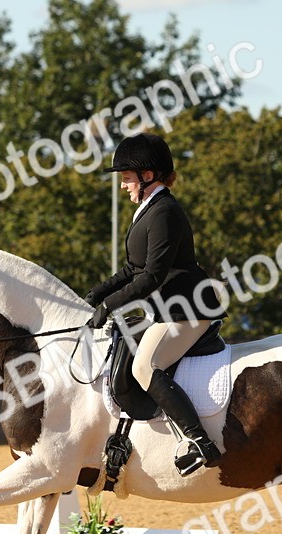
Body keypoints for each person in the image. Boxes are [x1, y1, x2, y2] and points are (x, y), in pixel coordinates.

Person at [84, 132, 225, 475]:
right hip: (167, 308)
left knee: (144, 367)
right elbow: (132, 269)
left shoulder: (164, 212)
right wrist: (95, 295)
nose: (123, 186)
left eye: (127, 179)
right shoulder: (149, 210)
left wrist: (111, 305)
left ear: (148, 176)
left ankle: (199, 441)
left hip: (187, 309)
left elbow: (152, 277)